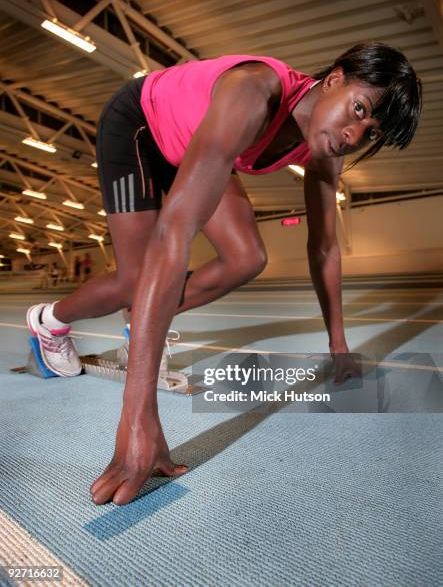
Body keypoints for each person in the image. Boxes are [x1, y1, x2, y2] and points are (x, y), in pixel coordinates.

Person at [26, 42, 422, 506]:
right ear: (335, 78)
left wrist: (338, 346)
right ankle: (48, 321)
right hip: (141, 125)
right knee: (136, 277)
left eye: (368, 132)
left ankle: (145, 315)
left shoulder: (326, 150)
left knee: (247, 256)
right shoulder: (252, 92)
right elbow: (174, 232)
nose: (353, 135)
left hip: (193, 143)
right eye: (359, 109)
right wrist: (138, 417)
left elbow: (325, 246)